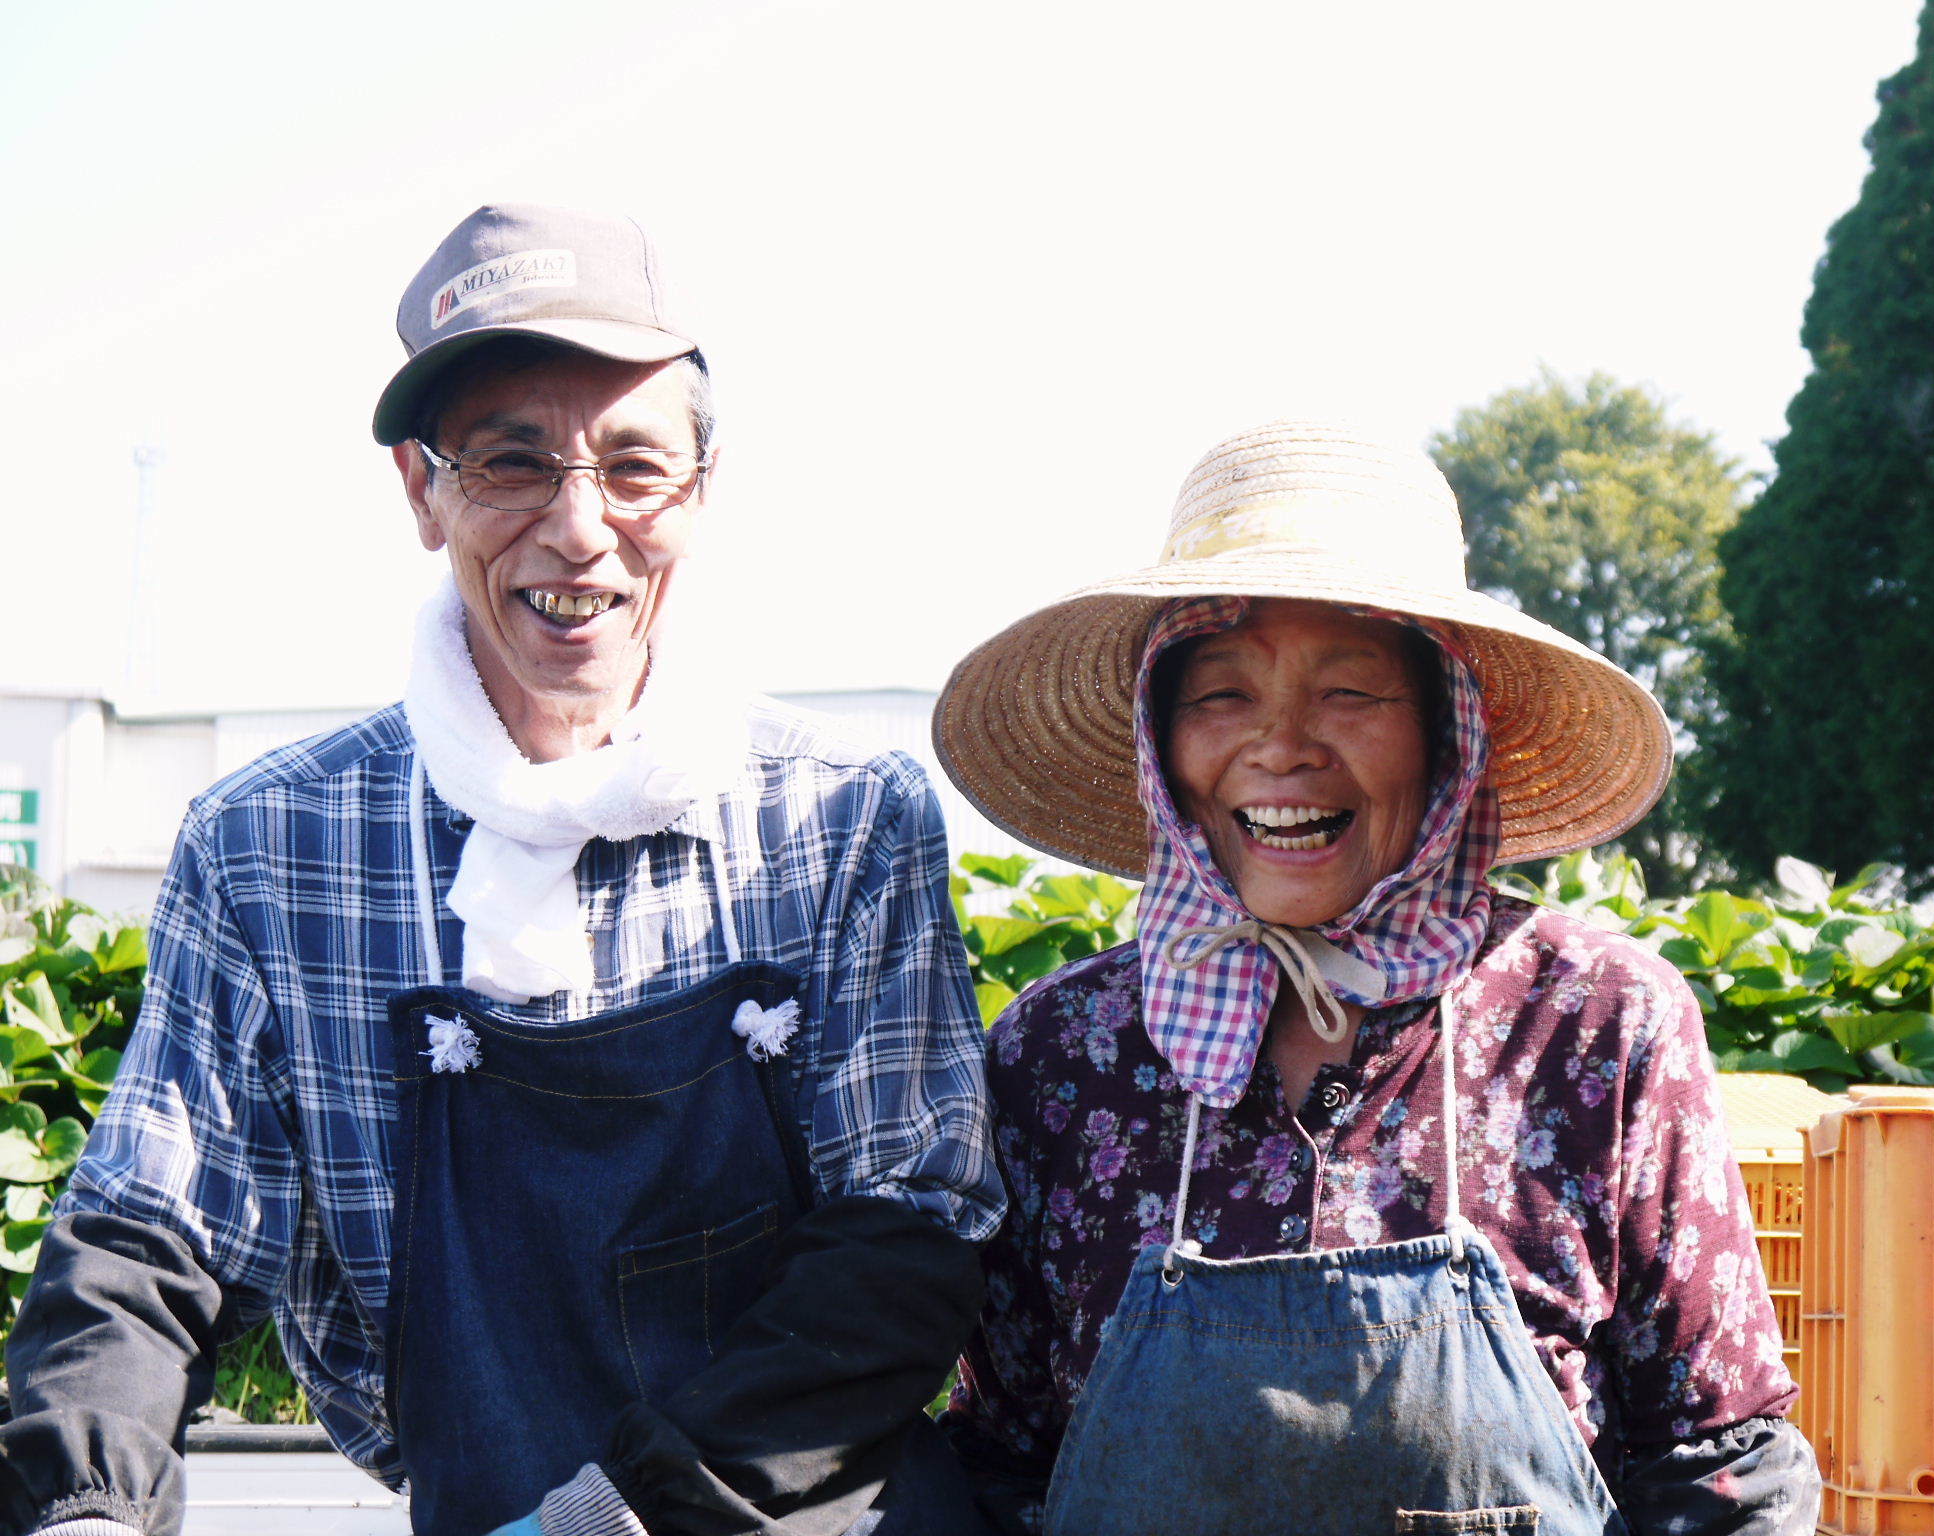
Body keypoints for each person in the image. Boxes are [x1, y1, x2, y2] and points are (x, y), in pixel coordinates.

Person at [0, 204, 1002, 1536]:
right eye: (513, 463)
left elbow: (909, 1232)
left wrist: (609, 1520)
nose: (582, 530)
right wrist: (85, 1506)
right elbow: (144, 1239)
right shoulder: (269, 849)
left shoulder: (844, 823)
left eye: (635, 468)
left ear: (700, 494)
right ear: (424, 490)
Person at [932, 422, 1822, 1535]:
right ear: (1159, 741)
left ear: (1448, 736)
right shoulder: (1063, 1052)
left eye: (1349, 693)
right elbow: (1002, 1459)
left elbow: (1719, 1464)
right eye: (1219, 697)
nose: (1281, 747)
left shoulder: (1596, 1024)